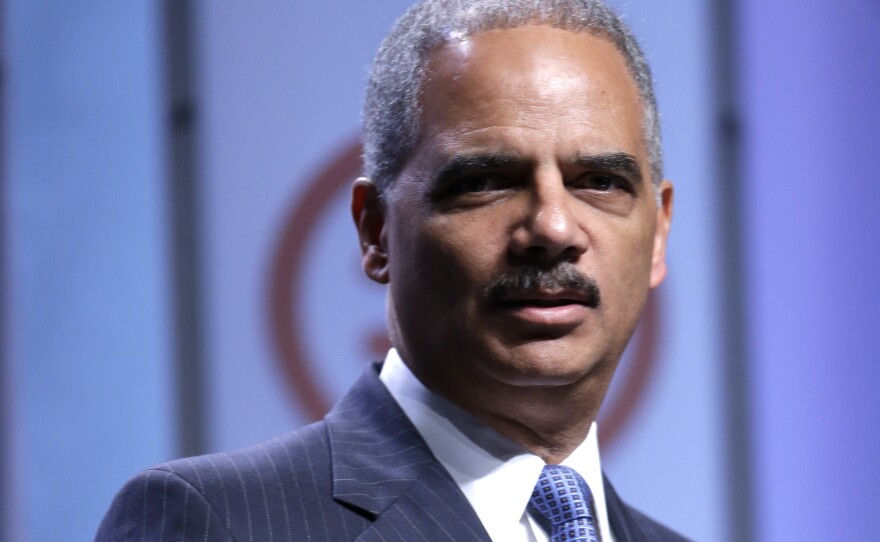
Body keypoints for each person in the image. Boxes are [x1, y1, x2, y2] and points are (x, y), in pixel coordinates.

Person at [97, 0, 685, 540]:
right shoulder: (213, 520)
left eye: (600, 182)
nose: (553, 228)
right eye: (484, 182)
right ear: (375, 231)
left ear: (658, 232)